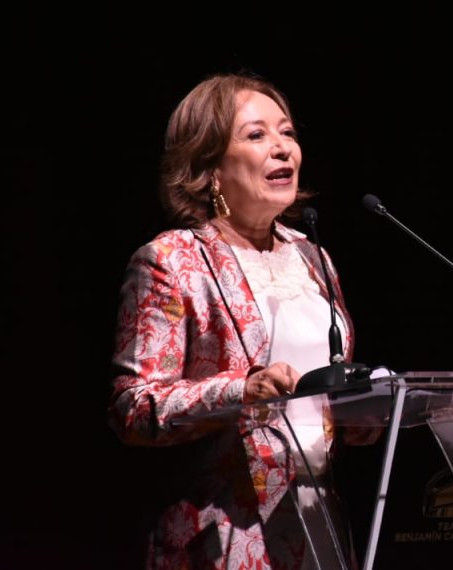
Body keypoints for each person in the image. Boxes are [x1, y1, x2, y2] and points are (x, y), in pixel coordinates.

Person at [109, 73, 370, 570]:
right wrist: (241, 391)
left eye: (287, 132)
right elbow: (133, 408)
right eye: (257, 135)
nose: (282, 148)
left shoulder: (313, 258)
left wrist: (363, 412)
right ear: (210, 167)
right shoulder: (170, 262)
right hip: (224, 535)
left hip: (319, 525)